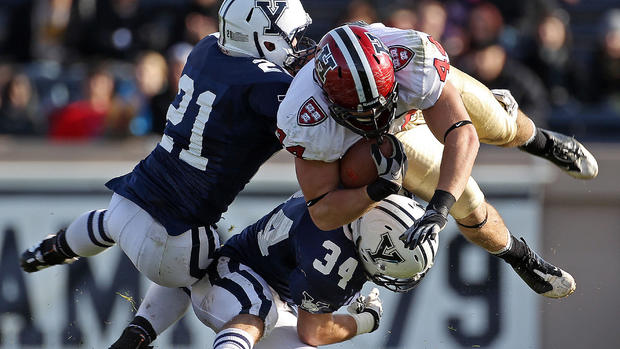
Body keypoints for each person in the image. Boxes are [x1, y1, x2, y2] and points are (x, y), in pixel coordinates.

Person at [276, 23, 598, 299]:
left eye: (380, 102)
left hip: (418, 102)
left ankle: (543, 143)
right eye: (362, 111)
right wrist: (374, 191)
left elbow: (463, 136)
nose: (375, 114)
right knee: (468, 200)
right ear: (330, 102)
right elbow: (321, 211)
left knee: (501, 125)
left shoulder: (413, 57)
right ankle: (521, 258)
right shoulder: (305, 118)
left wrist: (438, 206)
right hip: (388, 141)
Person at [20, 0, 316, 289]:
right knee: (237, 295)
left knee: (109, 224)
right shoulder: (269, 87)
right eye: (291, 37)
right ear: (262, 38)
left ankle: (52, 248)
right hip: (182, 228)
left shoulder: (206, 47)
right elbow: (313, 132)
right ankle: (141, 332)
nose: (296, 45)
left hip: (132, 196)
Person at [110, 192, 438, 349]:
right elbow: (317, 332)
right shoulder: (335, 264)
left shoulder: (352, 190)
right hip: (232, 279)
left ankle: (136, 337)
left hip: (248, 278)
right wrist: (364, 321)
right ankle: (140, 334)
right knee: (259, 308)